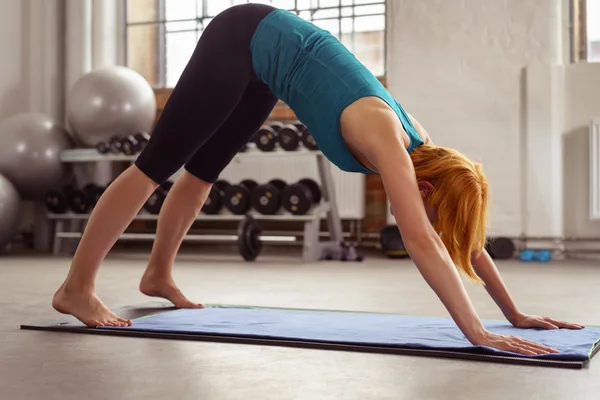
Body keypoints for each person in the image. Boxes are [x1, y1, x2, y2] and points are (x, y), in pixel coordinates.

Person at [52, 3, 583, 355]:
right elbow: (423, 238)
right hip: (244, 35)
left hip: (269, 64)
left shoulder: (429, 153)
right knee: (156, 165)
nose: (434, 223)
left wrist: (511, 311)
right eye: (433, 211)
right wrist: (477, 332)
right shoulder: (390, 142)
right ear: (423, 191)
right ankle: (76, 289)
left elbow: (460, 239)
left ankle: (158, 277)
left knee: (204, 171)